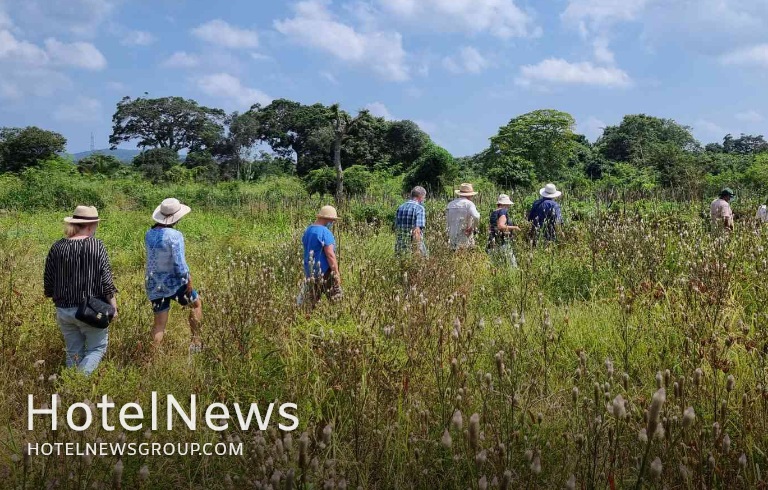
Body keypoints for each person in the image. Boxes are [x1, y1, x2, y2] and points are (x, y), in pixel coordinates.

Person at [44, 205, 118, 375]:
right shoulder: (96, 245)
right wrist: (113, 307)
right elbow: (106, 280)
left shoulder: (57, 247)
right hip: (90, 309)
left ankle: (71, 388)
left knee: (73, 351)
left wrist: (54, 296)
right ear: (91, 225)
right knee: (97, 348)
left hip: (63, 308)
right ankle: (79, 384)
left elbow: (48, 279)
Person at [145, 198, 202, 352]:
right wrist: (188, 279)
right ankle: (196, 343)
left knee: (159, 325)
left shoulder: (149, 234)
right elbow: (179, 263)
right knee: (196, 304)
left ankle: (152, 359)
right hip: (174, 283)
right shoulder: (175, 235)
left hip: (153, 283)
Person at [300, 205, 342, 308]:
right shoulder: (325, 232)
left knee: (311, 304)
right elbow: (330, 255)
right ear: (327, 219)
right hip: (325, 272)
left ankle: (307, 321)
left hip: (310, 272)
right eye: (332, 220)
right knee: (337, 302)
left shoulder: (308, 230)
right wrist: (336, 274)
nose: (332, 223)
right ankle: (336, 322)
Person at [487, 194, 521, 268]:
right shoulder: (503, 211)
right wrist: (515, 227)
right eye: (508, 204)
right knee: (513, 267)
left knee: (495, 267)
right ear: (504, 204)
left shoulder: (493, 212)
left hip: (492, 243)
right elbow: (501, 226)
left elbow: (492, 227)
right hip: (502, 243)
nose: (509, 206)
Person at [446, 183, 481, 250]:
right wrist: (472, 227)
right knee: (465, 255)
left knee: (453, 255)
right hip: (464, 234)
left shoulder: (450, 204)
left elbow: (447, 221)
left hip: (452, 234)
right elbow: (476, 217)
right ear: (470, 195)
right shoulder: (469, 204)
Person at [395, 186, 428, 256]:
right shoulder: (420, 208)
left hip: (400, 247)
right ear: (420, 196)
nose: (424, 199)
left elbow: (397, 228)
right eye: (424, 197)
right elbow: (417, 231)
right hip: (412, 248)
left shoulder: (400, 207)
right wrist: (417, 252)